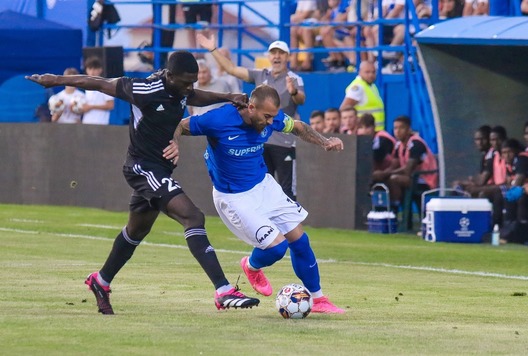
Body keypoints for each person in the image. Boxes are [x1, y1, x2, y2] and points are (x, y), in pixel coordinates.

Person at [26, 50, 260, 315]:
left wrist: (226, 97)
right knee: (193, 217)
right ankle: (223, 290)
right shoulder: (143, 89)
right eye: (185, 82)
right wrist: (56, 79)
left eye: (192, 81)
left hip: (159, 169)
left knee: (136, 232)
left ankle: (100, 281)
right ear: (170, 76)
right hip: (142, 168)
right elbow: (99, 83)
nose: (189, 87)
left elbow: (192, 95)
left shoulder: (181, 88)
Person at [171, 84, 345, 314]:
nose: (272, 123)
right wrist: (174, 144)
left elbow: (298, 127)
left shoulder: (272, 117)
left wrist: (324, 142)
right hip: (234, 197)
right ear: (251, 108)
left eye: (274, 117)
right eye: (266, 117)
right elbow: (182, 125)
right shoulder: (219, 119)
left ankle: (318, 299)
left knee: (301, 241)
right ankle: (251, 266)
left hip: (264, 186)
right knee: (276, 249)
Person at [197, 33, 305, 201]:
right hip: (260, 141)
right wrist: (213, 49)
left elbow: (301, 100)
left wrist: (294, 92)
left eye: (281, 53)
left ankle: (289, 226)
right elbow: (232, 69)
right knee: (260, 189)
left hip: (284, 142)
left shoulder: (294, 79)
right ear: (269, 56)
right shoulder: (261, 75)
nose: (277, 56)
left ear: (287, 57)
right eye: (274, 53)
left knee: (286, 190)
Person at [374, 115, 437, 208]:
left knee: (393, 179)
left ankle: (395, 210)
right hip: (411, 178)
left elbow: (408, 169)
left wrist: (385, 174)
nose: (397, 131)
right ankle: (384, 210)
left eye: (401, 128)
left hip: (424, 180)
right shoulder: (398, 145)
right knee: (382, 179)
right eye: (395, 128)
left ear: (409, 129)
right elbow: (394, 165)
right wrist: (383, 173)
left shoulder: (416, 144)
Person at [339, 61, 385, 131]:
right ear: (360, 72)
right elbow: (344, 108)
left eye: (373, 72)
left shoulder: (372, 85)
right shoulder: (358, 87)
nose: (371, 75)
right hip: (364, 131)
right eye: (367, 72)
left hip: (374, 130)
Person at [81, 56, 115, 125]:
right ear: (87, 70)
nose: (92, 72)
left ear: (100, 70)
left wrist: (91, 107)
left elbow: (110, 105)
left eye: (95, 69)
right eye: (90, 69)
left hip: (100, 123)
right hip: (86, 123)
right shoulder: (85, 86)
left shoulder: (106, 85)